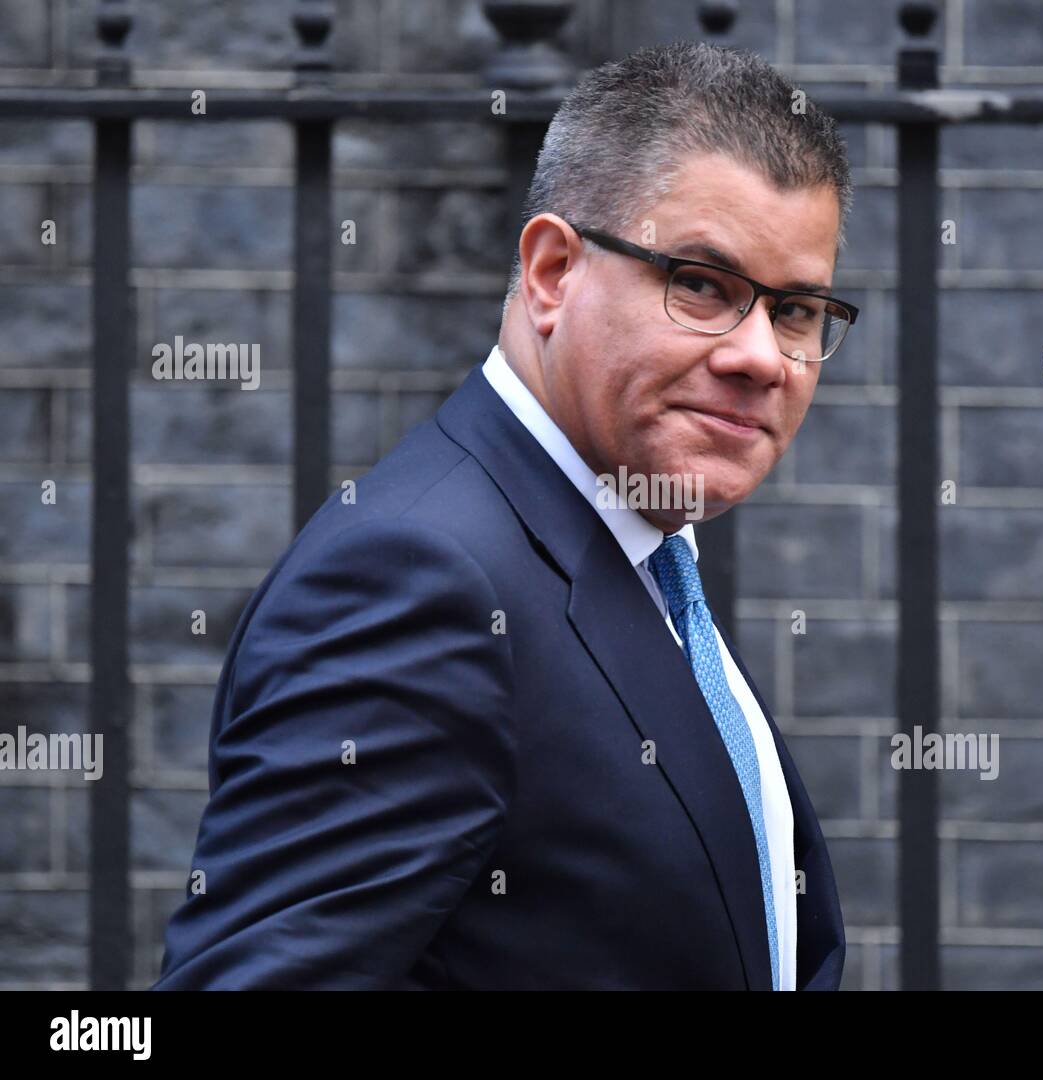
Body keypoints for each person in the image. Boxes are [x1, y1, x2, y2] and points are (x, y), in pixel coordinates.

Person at [154, 40, 856, 991]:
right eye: (700, 284)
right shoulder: (415, 582)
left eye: (798, 310)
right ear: (553, 272)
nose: (762, 358)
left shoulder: (643, 554)